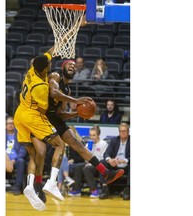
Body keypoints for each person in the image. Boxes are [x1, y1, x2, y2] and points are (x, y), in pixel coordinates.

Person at [13, 39, 90, 210]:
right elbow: (45, 109)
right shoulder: (41, 86)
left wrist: (61, 42)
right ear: (45, 70)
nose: (50, 65)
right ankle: (51, 183)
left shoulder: (32, 71)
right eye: (48, 65)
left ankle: (31, 185)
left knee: (36, 153)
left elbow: (50, 53)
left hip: (19, 114)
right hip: (32, 116)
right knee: (59, 144)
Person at [31, 59, 124, 200]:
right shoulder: (55, 76)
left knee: (78, 144)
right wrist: (76, 101)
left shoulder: (67, 90)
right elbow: (54, 93)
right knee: (42, 152)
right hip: (40, 117)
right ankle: (40, 185)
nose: (72, 67)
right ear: (63, 67)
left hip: (54, 118)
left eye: (74, 66)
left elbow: (60, 114)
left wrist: (77, 113)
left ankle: (105, 172)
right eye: (69, 65)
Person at [68, 125, 108, 198]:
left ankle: (94, 190)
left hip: (98, 165)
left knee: (86, 169)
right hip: (89, 163)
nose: (92, 137)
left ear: (98, 135)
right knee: (78, 166)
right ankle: (77, 189)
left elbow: (103, 158)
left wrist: (91, 163)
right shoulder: (88, 144)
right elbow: (85, 157)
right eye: (90, 135)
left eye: (94, 135)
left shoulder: (103, 144)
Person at [99, 123, 130, 200]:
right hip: (114, 165)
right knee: (102, 162)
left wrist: (124, 160)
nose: (122, 133)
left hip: (126, 165)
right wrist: (110, 160)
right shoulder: (114, 140)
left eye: (124, 131)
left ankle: (128, 190)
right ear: (119, 132)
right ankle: (105, 188)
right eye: (121, 131)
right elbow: (106, 153)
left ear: (128, 131)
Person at [5, 116, 28, 195]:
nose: (10, 125)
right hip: (5, 159)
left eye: (12, 123)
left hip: (16, 160)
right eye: (8, 123)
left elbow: (23, 150)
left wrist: (14, 159)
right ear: (5, 125)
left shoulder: (19, 135)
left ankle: (17, 187)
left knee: (21, 161)